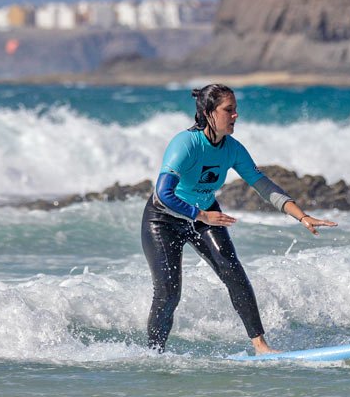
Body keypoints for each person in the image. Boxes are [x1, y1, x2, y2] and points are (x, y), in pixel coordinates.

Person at [141, 83, 337, 354]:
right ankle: (154, 354)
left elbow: (264, 186)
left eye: (236, 110)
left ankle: (260, 346)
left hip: (205, 214)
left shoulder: (232, 149)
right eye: (229, 110)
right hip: (164, 219)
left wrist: (302, 216)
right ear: (209, 112)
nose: (235, 116)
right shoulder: (185, 144)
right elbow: (164, 194)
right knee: (168, 293)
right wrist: (201, 215)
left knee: (234, 272)